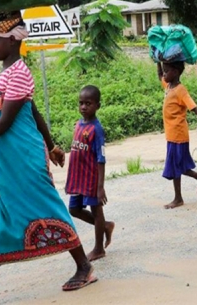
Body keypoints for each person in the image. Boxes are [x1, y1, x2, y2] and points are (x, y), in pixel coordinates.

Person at [0, 12, 96, 304]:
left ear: (13, 41)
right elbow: (34, 113)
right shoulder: (7, 72)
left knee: (47, 208)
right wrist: (52, 146)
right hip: (1, 164)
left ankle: (84, 267)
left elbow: (5, 122)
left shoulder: (20, 72)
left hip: (23, 162)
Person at [158, 61, 197, 209]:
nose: (164, 74)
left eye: (167, 71)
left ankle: (180, 196)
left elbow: (194, 108)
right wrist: (157, 59)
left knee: (177, 165)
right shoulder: (168, 86)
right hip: (171, 136)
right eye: (164, 71)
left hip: (179, 135)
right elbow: (159, 75)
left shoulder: (180, 90)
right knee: (178, 165)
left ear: (176, 72)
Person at [66, 85, 115, 261]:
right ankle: (106, 226)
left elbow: (101, 159)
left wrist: (100, 187)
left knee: (96, 211)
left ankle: (98, 248)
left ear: (97, 106)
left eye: (88, 103)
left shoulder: (97, 129)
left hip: (91, 179)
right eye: (81, 103)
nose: (84, 107)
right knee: (74, 209)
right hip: (78, 177)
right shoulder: (79, 124)